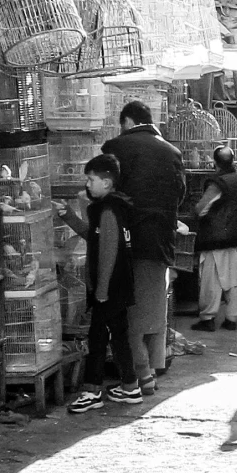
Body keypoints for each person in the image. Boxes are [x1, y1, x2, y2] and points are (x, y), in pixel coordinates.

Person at [104, 100, 186, 394]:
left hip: (128, 241)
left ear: (127, 121)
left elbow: (108, 190)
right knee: (153, 309)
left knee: (129, 313)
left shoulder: (117, 147)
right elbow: (180, 194)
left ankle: (141, 378)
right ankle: (151, 369)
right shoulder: (172, 152)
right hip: (161, 242)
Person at [61, 156, 141, 411]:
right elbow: (94, 238)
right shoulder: (112, 208)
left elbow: (108, 252)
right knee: (118, 336)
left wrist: (102, 290)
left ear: (106, 183)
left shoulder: (108, 210)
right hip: (118, 285)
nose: (87, 185)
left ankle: (92, 391)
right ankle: (130, 387)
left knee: (97, 338)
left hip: (110, 288)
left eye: (91, 180)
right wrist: (69, 216)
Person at [188, 144, 237, 330]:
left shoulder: (217, 183)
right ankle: (232, 317)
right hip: (234, 237)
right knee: (232, 279)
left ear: (215, 163)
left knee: (211, 281)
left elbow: (201, 209)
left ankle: (208, 318)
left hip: (215, 238)